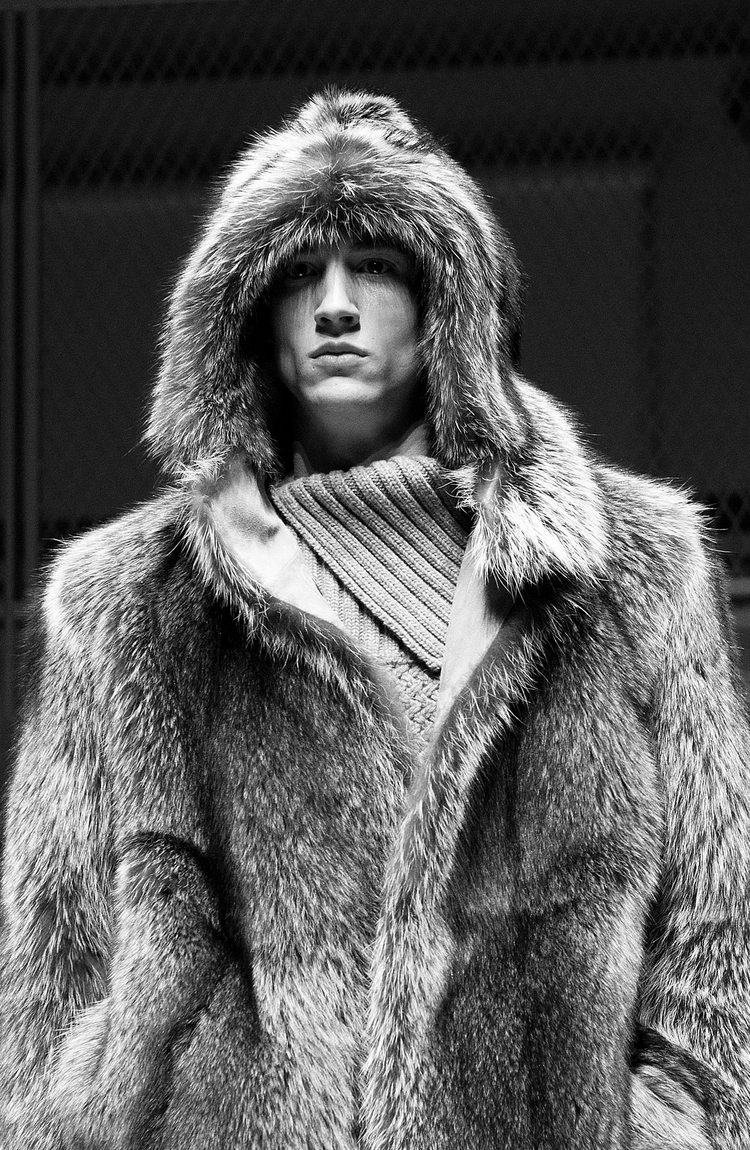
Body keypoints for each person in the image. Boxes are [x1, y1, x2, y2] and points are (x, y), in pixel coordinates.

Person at [0, 88, 748, 1150]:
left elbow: (718, 932)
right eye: (297, 273)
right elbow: (50, 965)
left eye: (379, 267)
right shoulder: (126, 602)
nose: (337, 306)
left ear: (447, 302)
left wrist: (672, 1131)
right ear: (245, 317)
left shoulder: (633, 572)